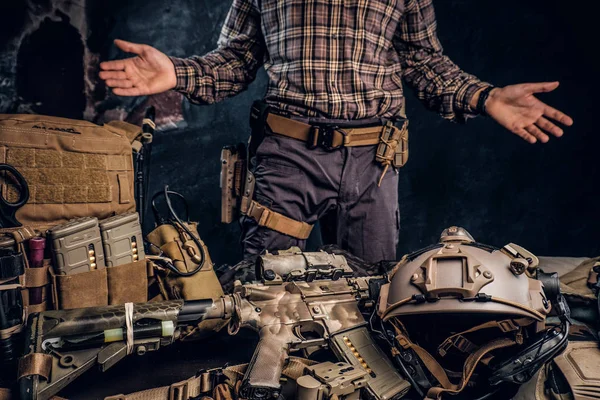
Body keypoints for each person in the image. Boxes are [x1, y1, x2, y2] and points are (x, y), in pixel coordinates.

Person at [99, 0, 573, 263]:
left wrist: (484, 96)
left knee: (370, 295)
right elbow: (237, 60)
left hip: (374, 160)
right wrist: (177, 74)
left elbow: (424, 62)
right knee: (269, 295)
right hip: (286, 156)